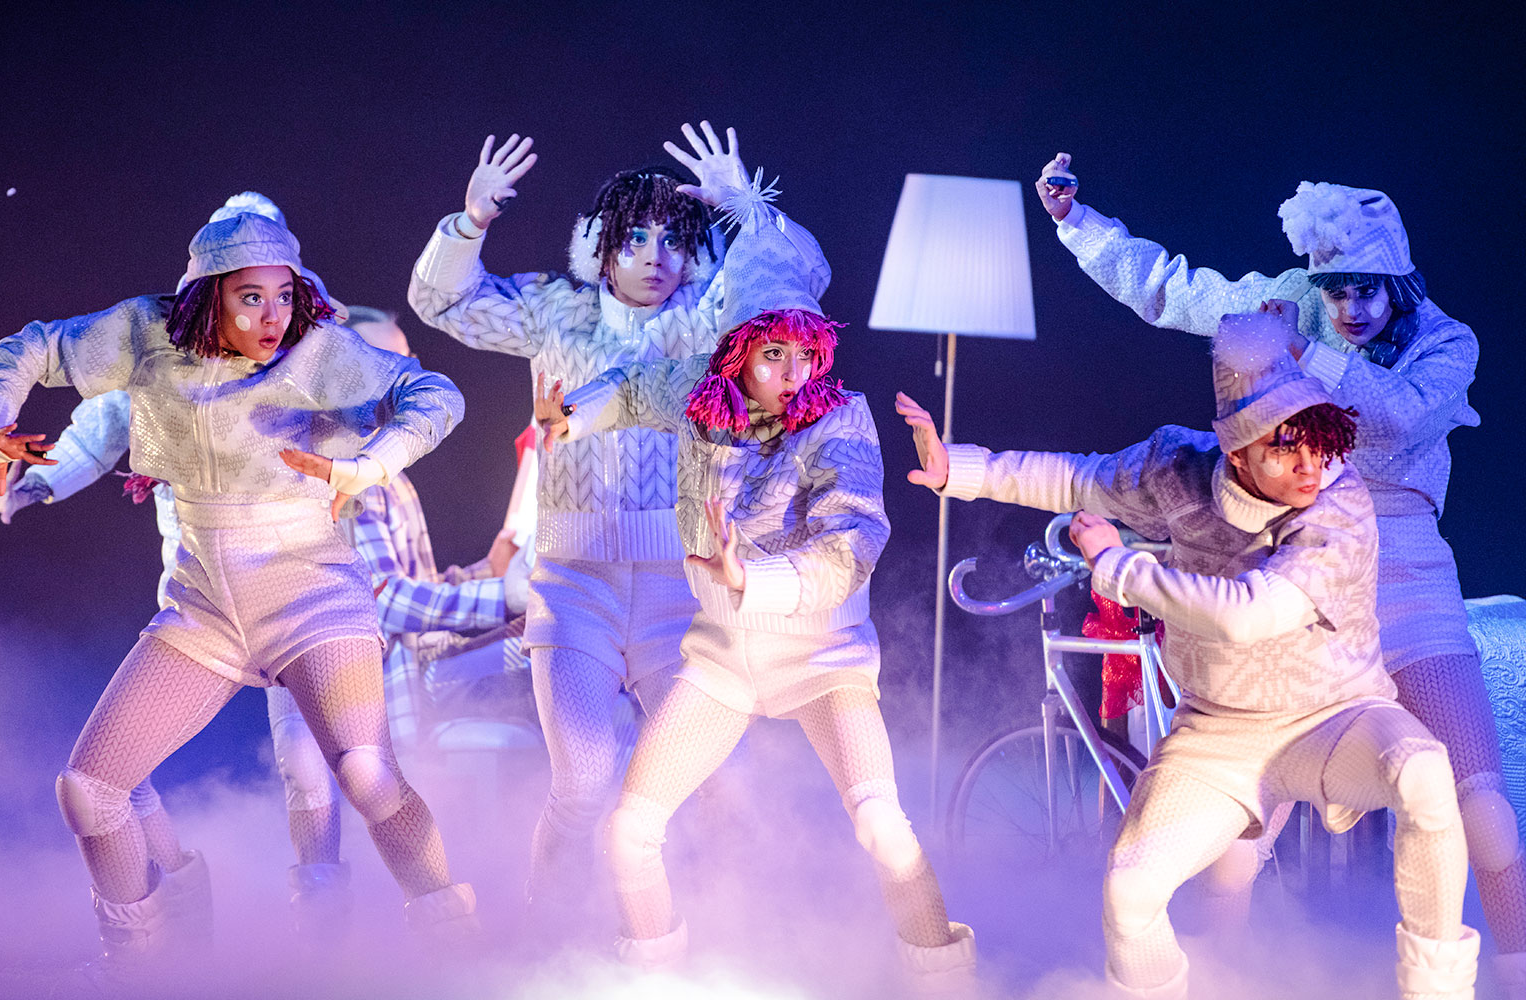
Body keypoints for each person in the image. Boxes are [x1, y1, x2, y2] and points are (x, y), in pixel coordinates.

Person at [1034, 156, 1523, 993]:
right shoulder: (1296, 305)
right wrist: (1080, 226)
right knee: (1241, 834)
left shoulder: (1446, 341)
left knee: (1478, 805)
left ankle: (1514, 972)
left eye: (1365, 291)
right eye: (1333, 291)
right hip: (1299, 563)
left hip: (1404, 572)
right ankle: (1223, 975)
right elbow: (1177, 292)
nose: (1348, 310)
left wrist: (1300, 351)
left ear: (1397, 281)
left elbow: (1402, 413)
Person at [898, 304, 1478, 1000]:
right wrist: (957, 468)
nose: (1309, 467)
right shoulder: (1175, 467)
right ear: (1235, 449)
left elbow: (1253, 615)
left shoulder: (1340, 500)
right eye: (1284, 448)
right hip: (1220, 732)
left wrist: (1119, 569)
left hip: (1334, 718)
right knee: (1130, 890)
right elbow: (1076, 480)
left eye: (1318, 443)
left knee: (1424, 772)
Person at [0, 211, 476, 971]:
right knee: (88, 789)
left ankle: (453, 944)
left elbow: (434, 393)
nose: (271, 316)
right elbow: (36, 350)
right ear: (207, 296)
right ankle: (141, 965)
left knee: (363, 775)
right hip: (204, 605)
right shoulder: (148, 338)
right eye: (249, 298)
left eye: (282, 295)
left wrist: (369, 463)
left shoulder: (316, 352)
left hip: (311, 594)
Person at [538, 177, 977, 993]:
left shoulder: (840, 417)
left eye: (805, 351)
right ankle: (653, 977)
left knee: (881, 824)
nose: (792, 370)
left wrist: (756, 579)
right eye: (773, 352)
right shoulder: (703, 401)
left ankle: (946, 980)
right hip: (724, 662)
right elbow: (633, 387)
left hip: (823, 658)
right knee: (631, 828)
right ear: (738, 349)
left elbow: (855, 540)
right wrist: (577, 413)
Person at [407, 122, 748, 910]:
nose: (655, 256)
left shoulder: (708, 319)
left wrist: (749, 212)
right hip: (574, 587)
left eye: (673, 239)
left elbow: (801, 285)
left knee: (715, 788)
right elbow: (438, 302)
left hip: (680, 591)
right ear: (601, 247)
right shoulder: (555, 310)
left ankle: (720, 938)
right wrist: (470, 223)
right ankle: (543, 934)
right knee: (586, 782)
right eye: (635, 238)